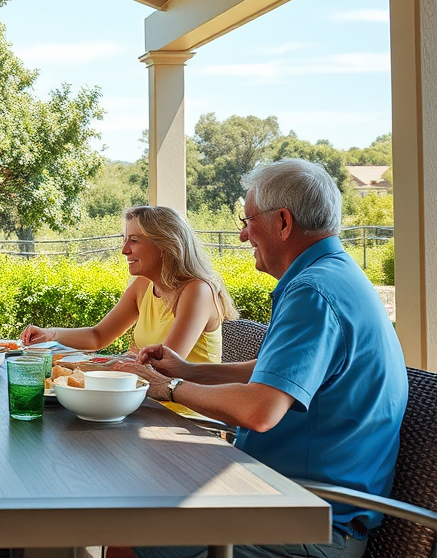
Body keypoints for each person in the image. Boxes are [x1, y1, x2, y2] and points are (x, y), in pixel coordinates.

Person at [117, 160, 408, 558]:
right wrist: (189, 370)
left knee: (127, 527)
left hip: (307, 519)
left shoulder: (314, 292)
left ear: (283, 222)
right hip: (280, 497)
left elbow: (261, 410)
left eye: (248, 219)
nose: (241, 234)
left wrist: (170, 387)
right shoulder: (334, 276)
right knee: (135, 502)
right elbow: (276, 373)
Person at [20, 206, 238, 363]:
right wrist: (51, 334)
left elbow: (167, 365)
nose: (124, 249)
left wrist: (102, 365)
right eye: (124, 239)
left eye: (134, 240)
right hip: (148, 402)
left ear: (166, 245)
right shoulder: (143, 286)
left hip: (185, 417)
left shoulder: (197, 291)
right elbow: (98, 336)